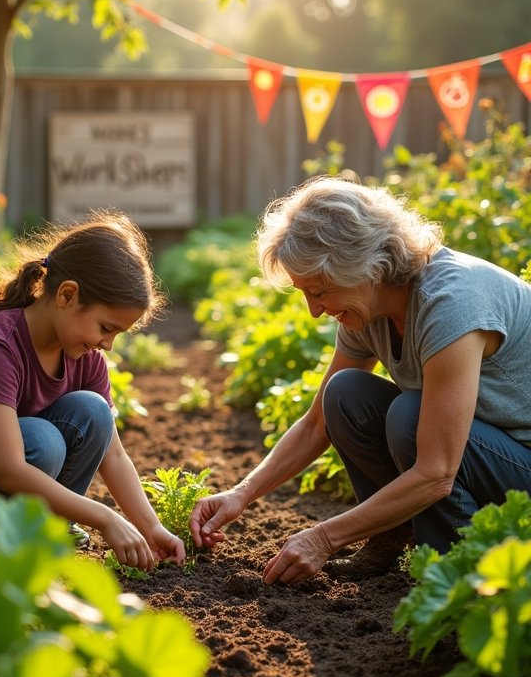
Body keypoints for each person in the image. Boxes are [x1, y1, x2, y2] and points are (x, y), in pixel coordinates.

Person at [190, 176, 531, 584]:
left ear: (365, 267)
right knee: (345, 394)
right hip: (491, 455)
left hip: (521, 464)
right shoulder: (364, 308)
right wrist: (240, 494)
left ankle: (456, 571)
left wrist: (322, 538)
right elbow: (317, 424)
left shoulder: (451, 303)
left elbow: (438, 472)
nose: (315, 311)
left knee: (408, 415)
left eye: (318, 291)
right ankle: (389, 536)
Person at [0, 210, 185, 572]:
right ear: (67, 295)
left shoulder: (85, 359)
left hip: (11, 464)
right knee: (41, 439)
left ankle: (41, 535)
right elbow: (9, 469)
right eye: (106, 328)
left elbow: (113, 456)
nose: (108, 345)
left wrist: (151, 528)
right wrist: (105, 518)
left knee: (94, 412)